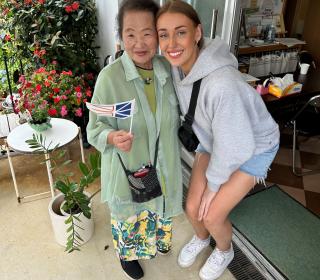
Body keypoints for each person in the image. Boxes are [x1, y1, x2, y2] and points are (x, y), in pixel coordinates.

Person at [156, 1, 280, 280]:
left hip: (254, 145)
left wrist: (213, 186)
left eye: (181, 32)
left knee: (211, 214)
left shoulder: (222, 83)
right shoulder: (177, 66)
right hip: (215, 138)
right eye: (164, 34)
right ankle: (202, 239)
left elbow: (238, 146)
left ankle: (225, 251)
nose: (172, 43)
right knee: (192, 208)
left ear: (198, 33)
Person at [86, 1, 183, 279]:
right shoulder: (109, 78)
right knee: (131, 217)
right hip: (131, 169)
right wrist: (112, 137)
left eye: (148, 33)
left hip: (163, 166)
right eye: (130, 34)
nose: (139, 42)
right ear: (121, 37)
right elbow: (94, 128)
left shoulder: (168, 70)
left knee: (158, 207)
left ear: (159, 35)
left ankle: (154, 244)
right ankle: (126, 255)